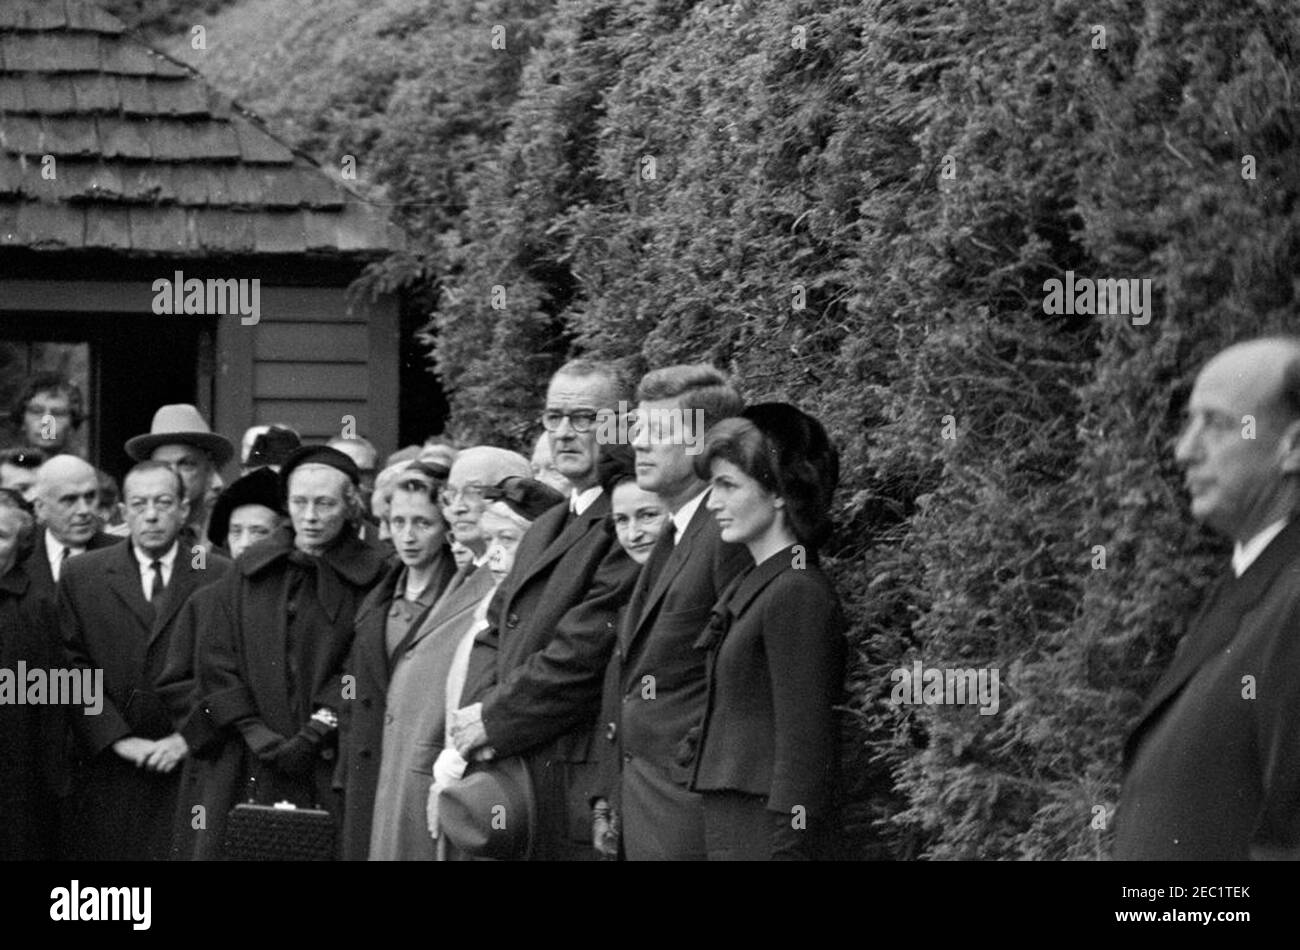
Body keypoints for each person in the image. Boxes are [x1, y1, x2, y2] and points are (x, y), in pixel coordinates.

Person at [1115, 337, 1300, 860]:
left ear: (1293, 446)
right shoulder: (1254, 582)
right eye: (1189, 423)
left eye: (1216, 425)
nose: (1184, 450)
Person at [452, 360, 642, 860]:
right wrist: (475, 714)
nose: (563, 433)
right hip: (512, 772)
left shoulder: (626, 523)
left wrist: (492, 721)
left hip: (571, 776)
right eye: (553, 417)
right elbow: (493, 630)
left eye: (584, 418)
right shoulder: (546, 524)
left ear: (623, 424)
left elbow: (581, 653)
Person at [186, 446, 386, 859]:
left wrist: (316, 731)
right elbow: (216, 658)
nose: (310, 516)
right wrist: (254, 732)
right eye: (300, 503)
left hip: (331, 755)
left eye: (324, 504)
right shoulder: (251, 567)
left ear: (351, 507)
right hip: (249, 756)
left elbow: (362, 662)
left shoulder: (376, 573)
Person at [596, 364, 750, 861]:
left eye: (659, 432)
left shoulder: (726, 533)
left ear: (706, 445)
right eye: (637, 429)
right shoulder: (677, 528)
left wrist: (688, 772)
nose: (639, 443)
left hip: (685, 804)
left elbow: (741, 673)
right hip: (644, 798)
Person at [358, 447, 533, 860]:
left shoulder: (506, 577)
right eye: (451, 493)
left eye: (472, 492)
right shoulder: (465, 573)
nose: (457, 506)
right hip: (413, 780)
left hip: (457, 786)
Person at [687, 404, 845, 859]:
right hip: (737, 822)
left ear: (778, 492)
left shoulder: (796, 591)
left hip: (768, 835)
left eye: (728, 486)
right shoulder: (760, 583)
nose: (713, 502)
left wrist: (787, 849)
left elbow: (805, 746)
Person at [58, 461, 232, 860]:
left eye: (163, 502)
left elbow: (228, 671)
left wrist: (187, 739)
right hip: (112, 766)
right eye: (139, 504)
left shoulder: (218, 573)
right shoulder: (82, 574)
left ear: (184, 510)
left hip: (191, 761)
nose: (151, 515)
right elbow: (72, 667)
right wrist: (118, 740)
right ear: (122, 511)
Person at [156, 466, 286, 860]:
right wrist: (223, 717)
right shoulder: (206, 601)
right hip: (222, 760)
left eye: (259, 532)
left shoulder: (299, 596)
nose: (245, 542)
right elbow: (178, 684)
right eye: (236, 531)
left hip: (283, 754)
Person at [338, 466, 459, 860]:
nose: (408, 535)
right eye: (398, 522)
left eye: (423, 523)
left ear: (445, 527)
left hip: (418, 768)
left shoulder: (455, 603)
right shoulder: (378, 595)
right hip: (368, 769)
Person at [0, 488, 65, 859]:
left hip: (15, 787)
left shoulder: (38, 605)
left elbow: (56, 706)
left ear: (22, 546)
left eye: (1, 536)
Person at [125, 404, 236, 548]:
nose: (173, 475)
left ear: (209, 471)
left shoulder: (234, 534)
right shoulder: (126, 538)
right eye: (163, 465)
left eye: (186, 464)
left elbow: (198, 567)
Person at [24, 454, 121, 601]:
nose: (84, 510)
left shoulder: (123, 553)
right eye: (69, 500)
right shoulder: (19, 555)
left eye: (90, 497)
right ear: (41, 508)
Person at [9, 372, 86, 457]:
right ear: (22, 420)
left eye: (58, 413)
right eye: (36, 412)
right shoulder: (4, 467)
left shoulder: (83, 469)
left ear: (71, 423)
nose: (47, 422)